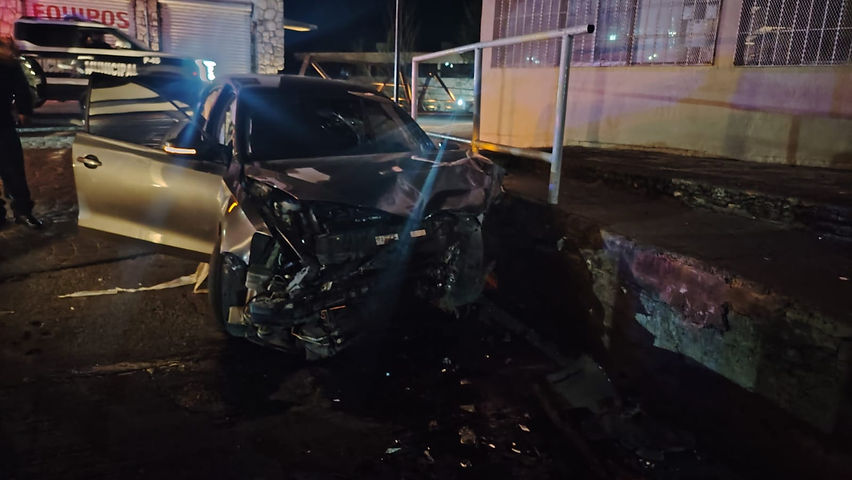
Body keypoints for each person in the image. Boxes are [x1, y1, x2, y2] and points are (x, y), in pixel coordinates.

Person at [0, 36, 41, 229]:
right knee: (13, 169)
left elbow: (22, 89)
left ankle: (22, 210)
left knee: (14, 170)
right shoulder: (10, 63)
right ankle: (16, 211)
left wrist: (24, 110)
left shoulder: (9, 65)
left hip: (3, 123)